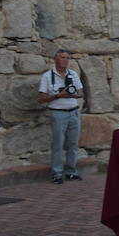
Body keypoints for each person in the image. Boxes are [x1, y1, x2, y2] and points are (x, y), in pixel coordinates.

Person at [38, 48, 84, 184]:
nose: (65, 60)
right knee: (58, 144)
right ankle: (57, 173)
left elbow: (81, 93)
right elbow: (40, 98)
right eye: (62, 57)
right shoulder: (47, 76)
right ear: (55, 59)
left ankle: (71, 171)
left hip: (74, 111)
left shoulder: (73, 74)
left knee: (73, 144)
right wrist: (58, 95)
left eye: (67, 58)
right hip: (58, 113)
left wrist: (72, 94)